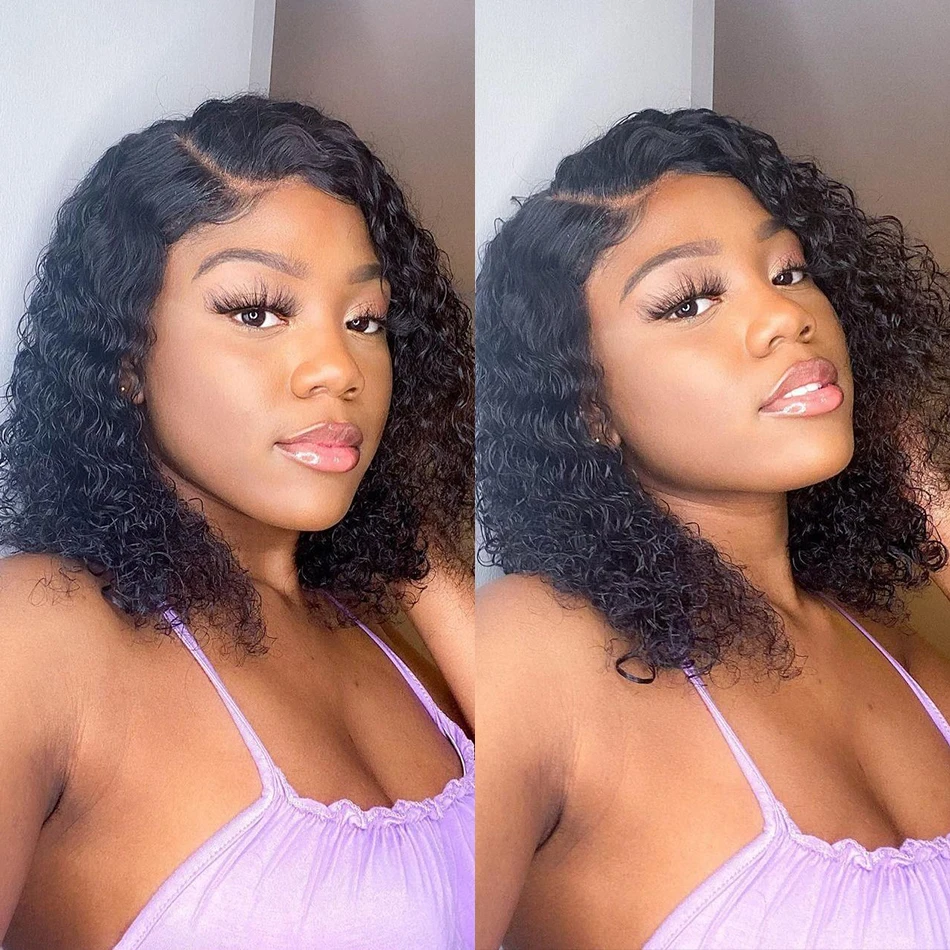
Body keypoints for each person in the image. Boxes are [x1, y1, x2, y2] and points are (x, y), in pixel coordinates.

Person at [0, 94, 474, 950]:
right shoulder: (41, 630)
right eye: (257, 311)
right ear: (125, 357)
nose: (337, 368)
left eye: (365, 321)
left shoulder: (390, 643)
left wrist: (418, 548)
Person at [475, 108, 950, 949]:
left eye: (790, 271)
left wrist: (925, 492)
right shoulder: (537, 651)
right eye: (690, 300)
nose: (785, 317)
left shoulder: (906, 663)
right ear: (588, 407)